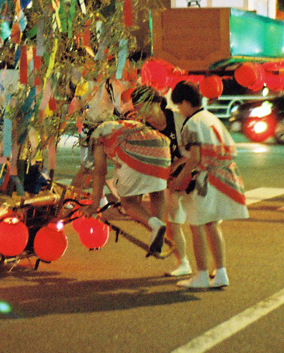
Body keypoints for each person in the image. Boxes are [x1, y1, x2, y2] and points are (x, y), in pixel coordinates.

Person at [169, 81, 247, 289]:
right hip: (224, 176)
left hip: (207, 180)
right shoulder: (211, 118)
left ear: (185, 102)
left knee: (196, 225)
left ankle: (202, 275)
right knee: (212, 224)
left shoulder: (192, 123)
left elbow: (194, 158)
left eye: (179, 106)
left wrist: (179, 179)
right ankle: (220, 272)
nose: (179, 110)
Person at [79, 115, 171, 256]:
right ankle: (156, 233)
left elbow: (100, 170)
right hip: (161, 151)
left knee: (128, 202)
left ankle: (156, 225)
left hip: (134, 152)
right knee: (156, 193)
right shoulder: (123, 124)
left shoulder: (98, 133)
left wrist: (94, 205)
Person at [131, 85, 193, 277]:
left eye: (146, 107)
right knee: (173, 224)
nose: (143, 113)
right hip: (171, 182)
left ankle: (215, 267)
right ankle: (183, 263)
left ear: (158, 103)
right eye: (138, 109)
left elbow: (194, 152)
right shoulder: (144, 129)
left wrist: (175, 165)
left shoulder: (178, 119)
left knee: (205, 223)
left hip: (193, 175)